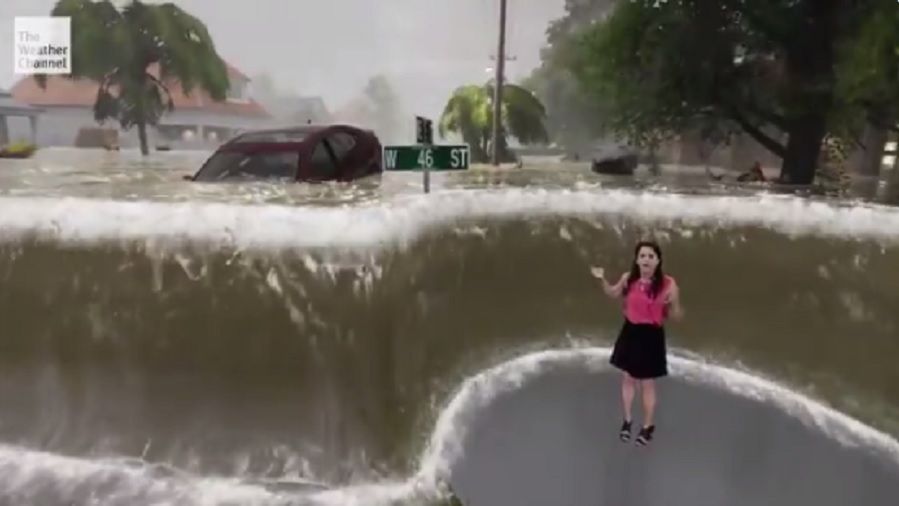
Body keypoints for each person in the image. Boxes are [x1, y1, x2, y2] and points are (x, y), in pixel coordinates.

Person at [590, 240, 683, 446]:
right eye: (642, 256)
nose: (646, 260)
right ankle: (628, 421)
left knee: (647, 383)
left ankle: (648, 426)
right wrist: (602, 279)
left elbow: (677, 315)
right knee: (628, 378)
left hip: (651, 335)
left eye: (651, 256)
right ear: (637, 260)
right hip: (630, 331)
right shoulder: (629, 278)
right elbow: (613, 294)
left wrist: (670, 305)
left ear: (658, 261)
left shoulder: (669, 284)